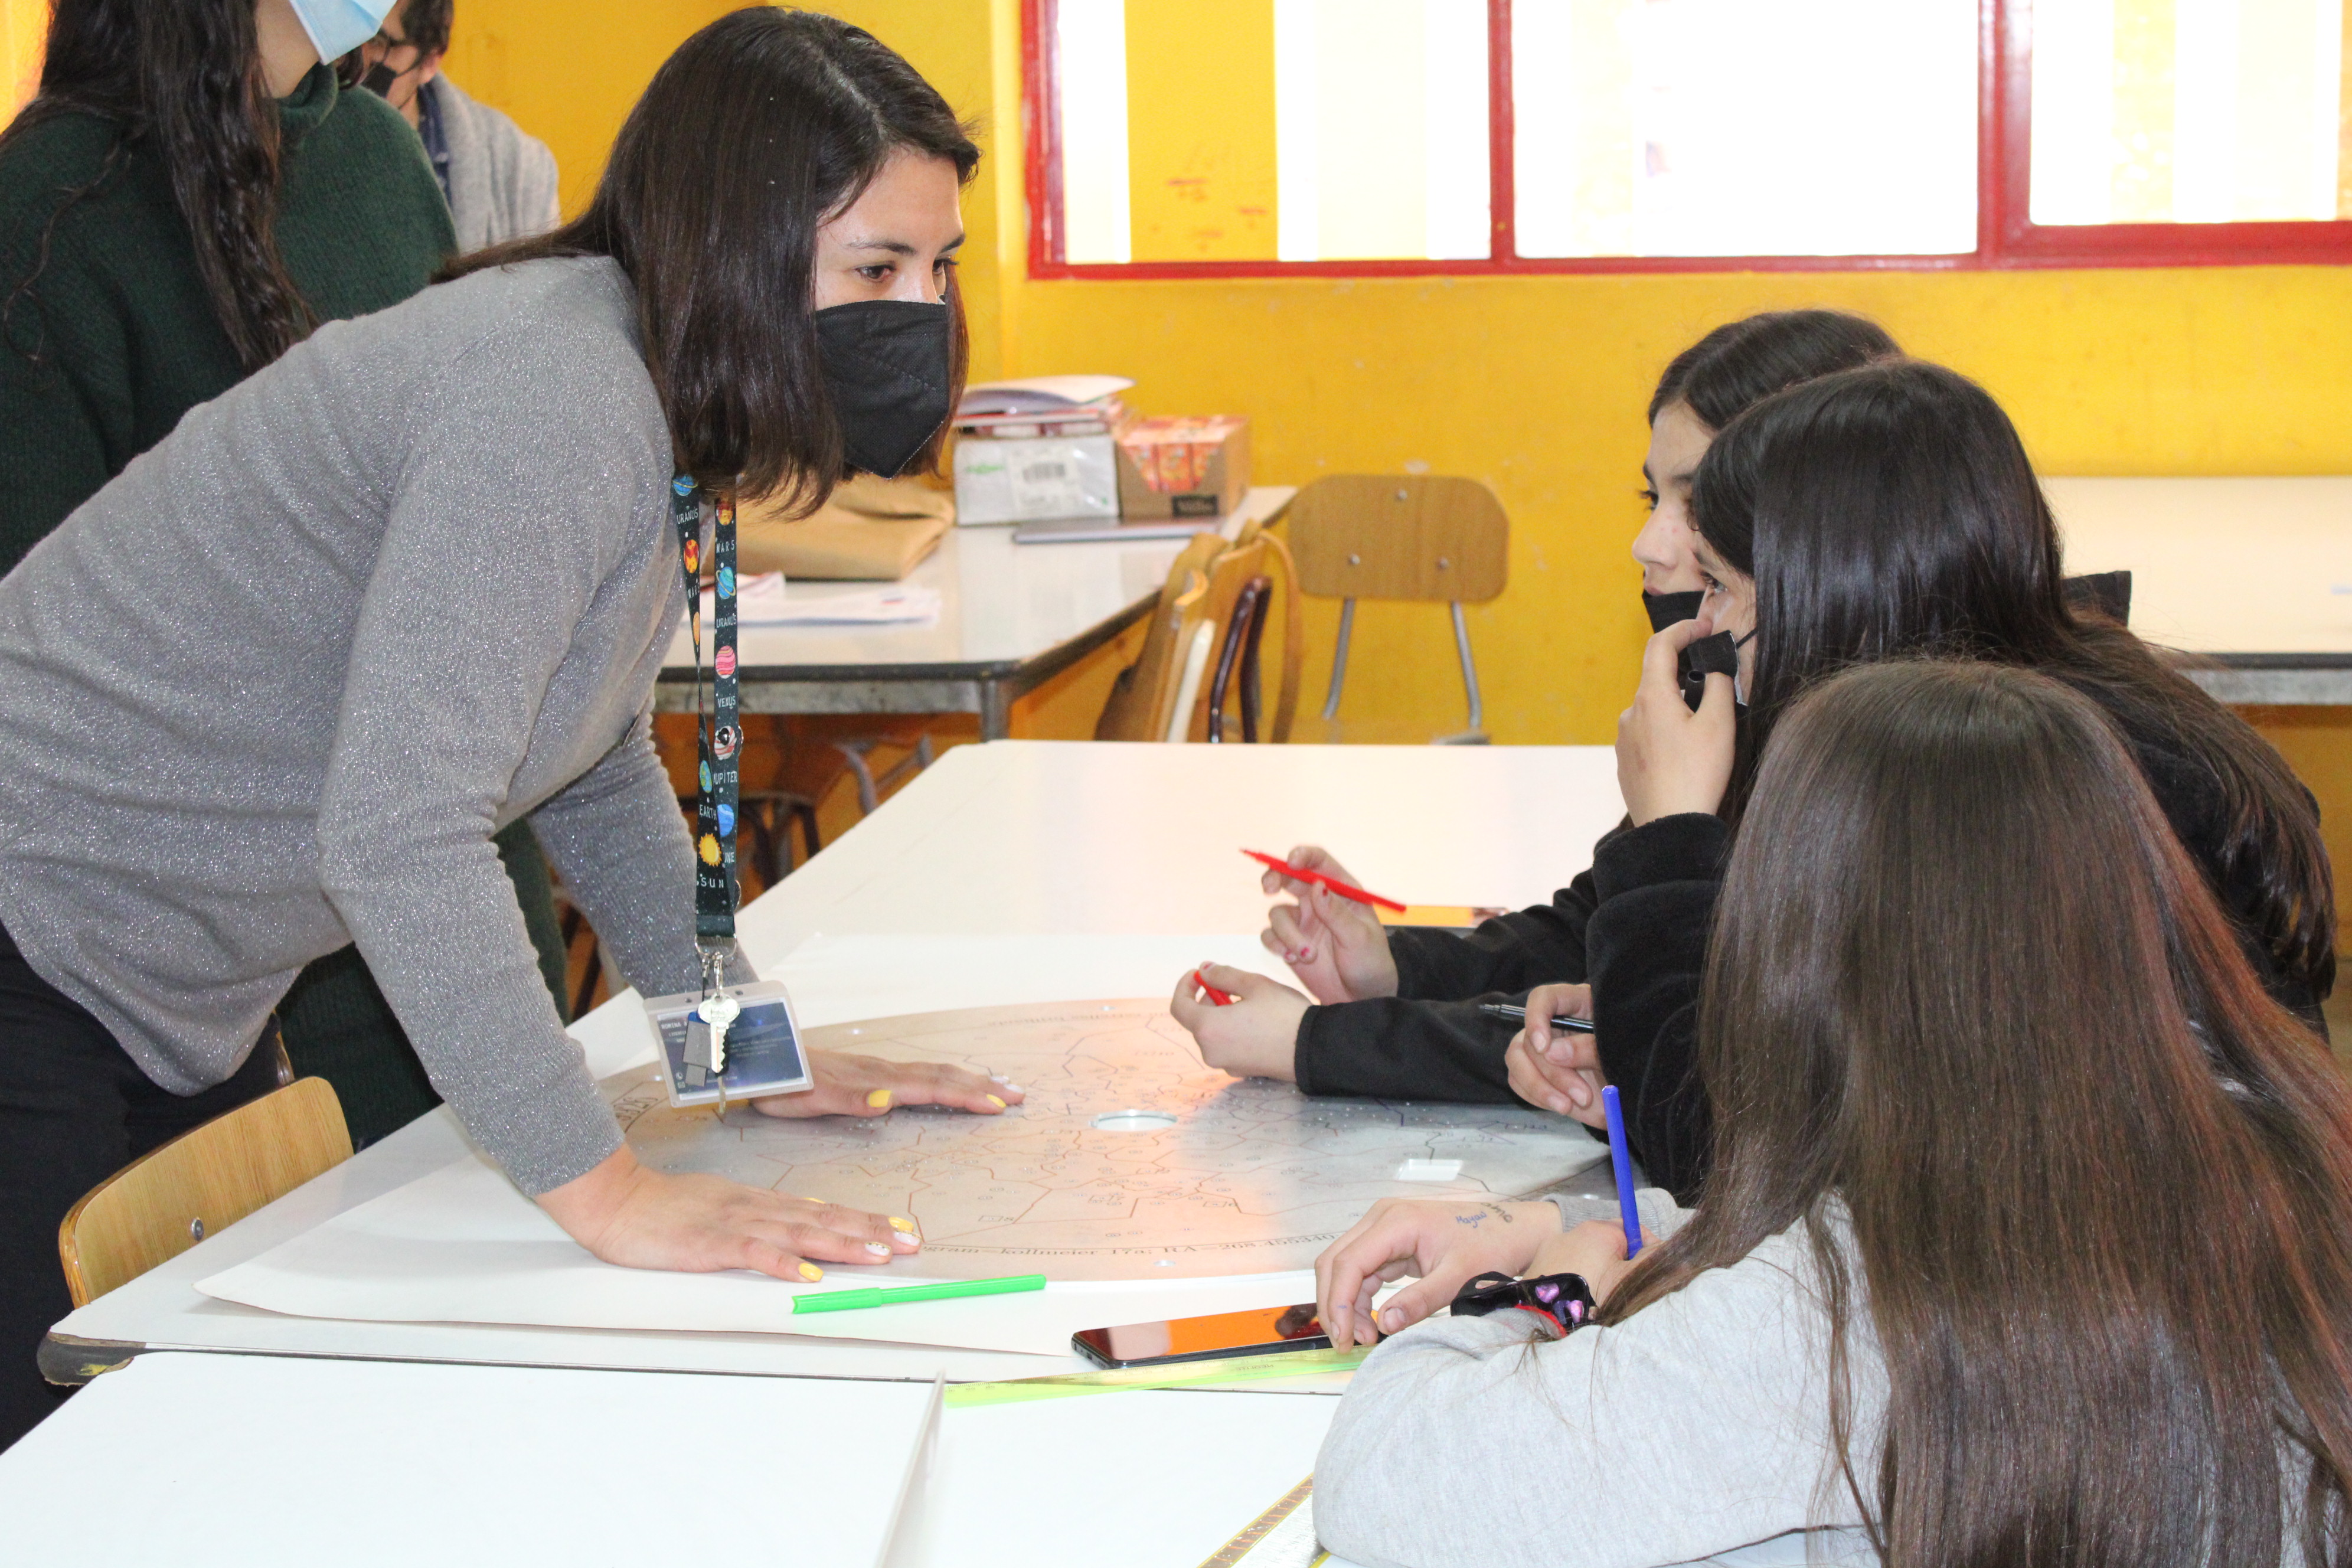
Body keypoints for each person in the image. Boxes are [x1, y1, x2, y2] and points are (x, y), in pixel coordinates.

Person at [0, 8, 1014, 1451]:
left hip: (136, 967)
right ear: (733, 248)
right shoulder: (559, 395)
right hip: (34, 924)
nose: (914, 309)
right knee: (56, 1468)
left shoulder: (643, 384)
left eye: (936, 266)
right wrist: (606, 1192)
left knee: (163, 1447)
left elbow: (582, 749)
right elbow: (401, 829)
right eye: (873, 268)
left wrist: (729, 1041)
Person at [1312, 661, 2352, 1568]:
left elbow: (1383, 1475)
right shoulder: (2271, 1135)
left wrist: (1549, 1296)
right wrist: (1589, 1230)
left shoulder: (1840, 1311)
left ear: (1801, 969)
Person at [1508, 358, 2335, 1205]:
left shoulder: (2004, 800)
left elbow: (1730, 1159)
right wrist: (1667, 1019)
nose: (1706, 623)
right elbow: (1840, 1094)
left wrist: (1669, 840)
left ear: (1825, 593)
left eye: (1720, 584)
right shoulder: (2046, 713)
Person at [0, 0, 580, 1155]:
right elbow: (50, 705)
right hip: (202, 1009)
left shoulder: (370, 148)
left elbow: (473, 614)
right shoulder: (51, 206)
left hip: (457, 951)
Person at [1168, 311, 1901, 1095]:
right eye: (1652, 497)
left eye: (1698, 506)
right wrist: (1398, 969)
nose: (1649, 544)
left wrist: (1321, 1045)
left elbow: (1671, 1065)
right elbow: (1605, 933)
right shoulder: (1743, 679)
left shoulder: (1876, 773)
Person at [348, 0, 563, 249]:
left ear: (430, 60)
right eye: (347, 31)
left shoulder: (521, 168)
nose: (350, 59)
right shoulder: (298, 135)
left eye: (377, 41)